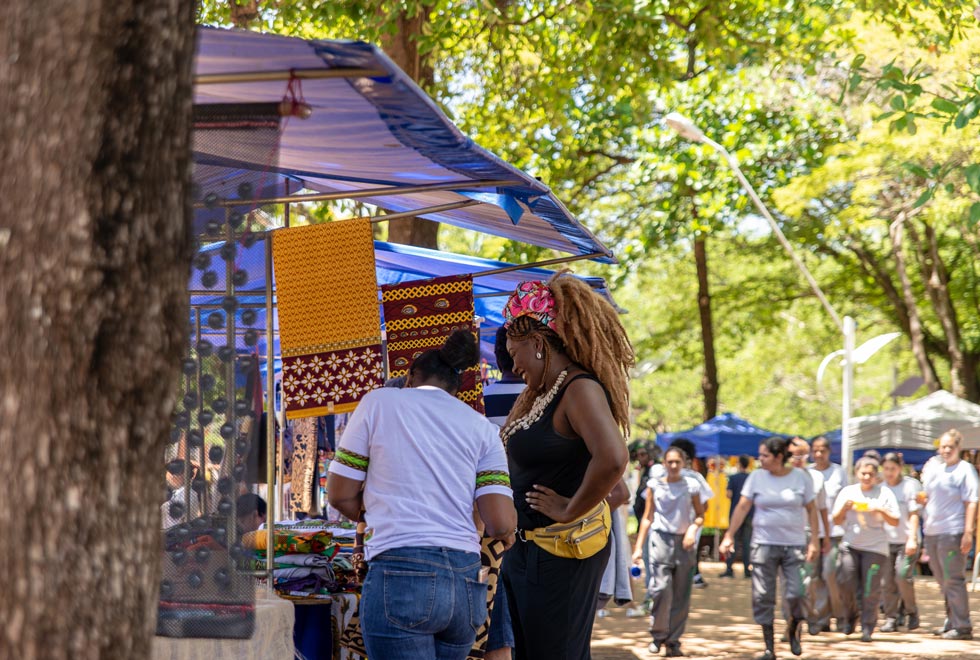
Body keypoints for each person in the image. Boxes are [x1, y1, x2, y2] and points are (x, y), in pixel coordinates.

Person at [327, 330, 517, 660]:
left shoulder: (380, 402)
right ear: (456, 389)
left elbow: (340, 494)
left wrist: (379, 508)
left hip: (400, 572)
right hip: (465, 583)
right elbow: (500, 522)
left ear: (410, 376)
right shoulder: (483, 429)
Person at [498, 274, 632, 660]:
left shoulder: (579, 388)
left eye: (514, 352)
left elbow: (614, 459)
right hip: (526, 553)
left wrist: (571, 508)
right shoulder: (542, 394)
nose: (512, 364)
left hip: (560, 555)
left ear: (537, 344)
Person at [720, 436, 819, 660]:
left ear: (779, 457)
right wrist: (729, 535)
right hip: (763, 544)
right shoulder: (756, 477)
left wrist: (814, 540)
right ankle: (769, 648)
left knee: (796, 593)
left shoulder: (800, 478)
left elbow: (812, 510)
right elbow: (743, 506)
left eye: (764, 455)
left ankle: (794, 628)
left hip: (793, 545)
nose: (760, 459)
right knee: (763, 595)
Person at [631, 446, 705, 657]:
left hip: (684, 543)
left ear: (684, 464)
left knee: (681, 594)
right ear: (664, 464)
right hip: (660, 541)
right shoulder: (654, 485)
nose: (673, 466)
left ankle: (673, 640)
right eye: (669, 462)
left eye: (677, 462)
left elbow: (700, 514)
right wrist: (638, 548)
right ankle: (658, 635)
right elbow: (647, 517)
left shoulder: (691, 485)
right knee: (660, 590)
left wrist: (692, 529)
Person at [481, 325, 526, 660]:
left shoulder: (478, 402)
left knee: (499, 605)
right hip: (536, 521)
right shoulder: (548, 398)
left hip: (490, 525)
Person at [830, 456, 900, 642]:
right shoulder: (848, 492)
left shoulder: (884, 493)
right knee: (845, 582)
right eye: (863, 473)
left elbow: (895, 520)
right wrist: (844, 509)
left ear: (876, 475)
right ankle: (850, 615)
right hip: (850, 545)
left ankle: (868, 626)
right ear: (856, 473)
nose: (867, 477)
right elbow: (836, 520)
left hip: (876, 548)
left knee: (871, 589)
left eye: (871, 473)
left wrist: (881, 510)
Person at [920, 429, 978, 640]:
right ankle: (951, 620)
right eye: (942, 446)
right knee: (942, 579)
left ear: (958, 448)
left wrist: (968, 532)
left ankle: (962, 626)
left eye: (950, 447)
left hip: (952, 531)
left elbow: (972, 501)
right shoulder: (937, 469)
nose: (945, 450)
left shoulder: (965, 470)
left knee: (953, 579)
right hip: (933, 532)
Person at [780, 438, 831, 637]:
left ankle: (807, 616)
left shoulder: (816, 478)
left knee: (807, 581)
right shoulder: (780, 477)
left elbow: (823, 509)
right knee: (787, 585)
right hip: (785, 536)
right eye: (793, 455)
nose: (797, 459)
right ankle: (792, 623)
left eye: (802, 455)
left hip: (809, 534)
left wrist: (823, 537)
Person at [648, 438, 713, 589]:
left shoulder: (661, 477)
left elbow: (650, 510)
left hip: (666, 532)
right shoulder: (695, 478)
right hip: (685, 530)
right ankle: (694, 577)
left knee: (662, 578)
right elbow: (705, 506)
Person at [880, 452, 923, 632]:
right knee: (887, 581)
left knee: (902, 575)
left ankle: (911, 611)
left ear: (900, 467)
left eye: (893, 468)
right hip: (885, 541)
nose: (890, 472)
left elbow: (914, 514)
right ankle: (891, 616)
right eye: (887, 469)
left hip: (907, 540)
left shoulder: (910, 485)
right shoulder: (880, 488)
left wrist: (912, 538)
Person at [808, 435, 846, 634]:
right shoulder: (807, 473)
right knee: (815, 579)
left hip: (835, 533)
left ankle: (841, 616)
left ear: (829, 451)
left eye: (823, 450)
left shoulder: (839, 472)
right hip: (813, 534)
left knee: (831, 574)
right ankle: (821, 618)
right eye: (815, 450)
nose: (819, 454)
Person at [721, 455, 753, 579]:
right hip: (750, 514)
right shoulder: (752, 478)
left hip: (735, 514)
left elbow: (728, 494)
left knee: (731, 541)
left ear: (739, 464)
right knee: (746, 543)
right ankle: (747, 570)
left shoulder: (733, 478)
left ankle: (729, 569)